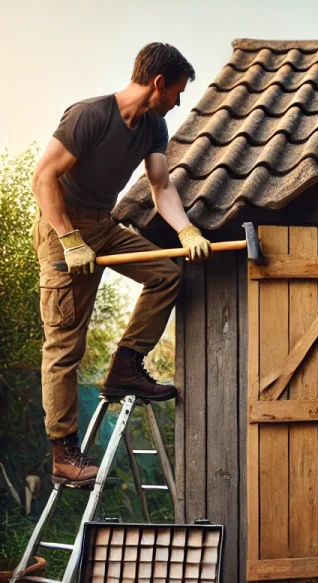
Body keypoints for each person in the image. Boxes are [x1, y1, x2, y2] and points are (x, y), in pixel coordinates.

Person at [32, 43, 211, 487]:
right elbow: (43, 179)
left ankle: (125, 368)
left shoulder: (154, 125)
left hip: (102, 224)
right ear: (158, 83)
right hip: (62, 226)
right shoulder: (90, 115)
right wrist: (69, 239)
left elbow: (160, 185)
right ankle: (64, 455)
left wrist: (187, 231)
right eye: (178, 91)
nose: (179, 100)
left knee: (167, 274)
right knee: (64, 344)